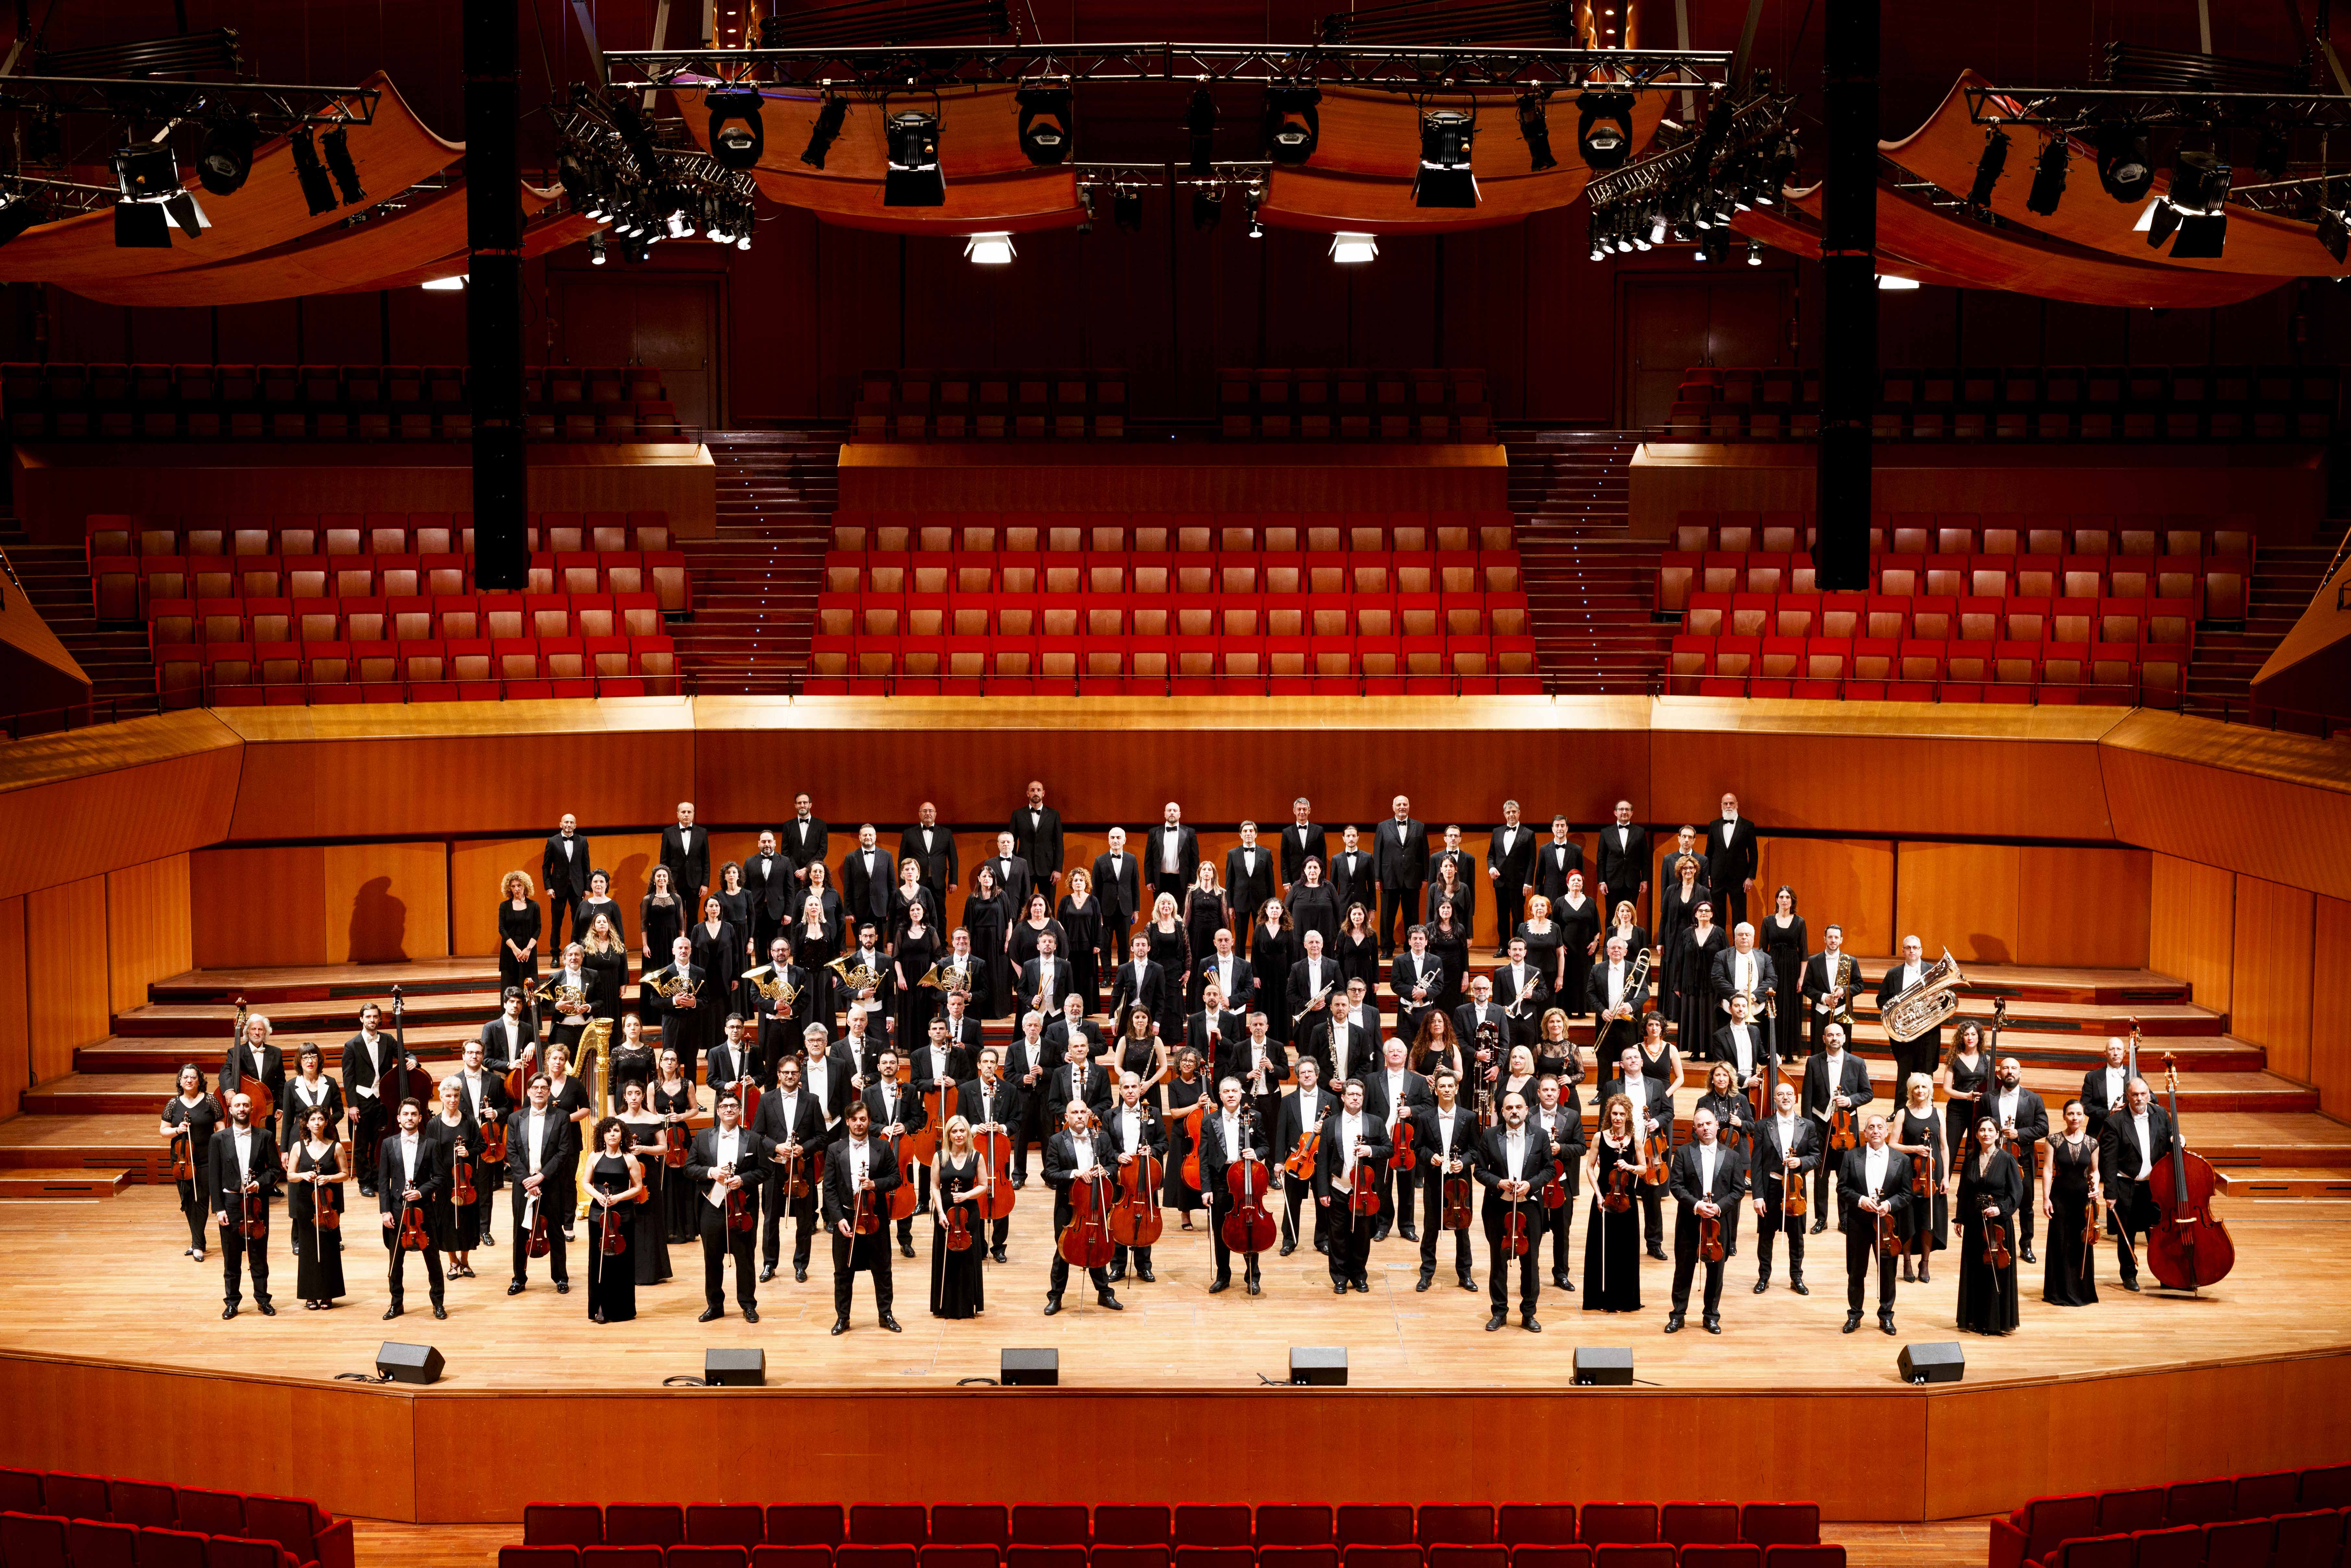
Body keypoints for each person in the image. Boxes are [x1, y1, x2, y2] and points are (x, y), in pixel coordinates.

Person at [687, 1090, 769, 1323]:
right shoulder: (703, 1137)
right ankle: (715, 1306)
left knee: (745, 1259)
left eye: (733, 1106)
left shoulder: (753, 1139)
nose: (729, 1110)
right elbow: (689, 1168)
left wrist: (743, 1180)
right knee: (712, 1259)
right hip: (712, 1207)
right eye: (724, 1106)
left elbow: (765, 1171)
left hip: (743, 1208)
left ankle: (748, 1305)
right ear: (718, 1111)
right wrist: (710, 1172)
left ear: (740, 1110)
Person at [821, 1100, 903, 1333]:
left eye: (863, 1119)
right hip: (847, 1217)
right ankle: (843, 1318)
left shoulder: (883, 1147)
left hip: (875, 1218)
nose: (859, 1124)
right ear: (848, 1121)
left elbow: (896, 1178)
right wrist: (838, 1219)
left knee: (883, 1270)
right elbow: (829, 1189)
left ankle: (885, 1315)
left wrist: (874, 1184)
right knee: (843, 1272)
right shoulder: (834, 1150)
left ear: (869, 1121)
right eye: (855, 1119)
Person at [1475, 1088, 1553, 1331]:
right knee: (1498, 1261)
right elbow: (1479, 1170)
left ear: (1527, 1111)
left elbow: (1549, 1170)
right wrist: (1498, 1183)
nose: (1514, 1111)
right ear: (1502, 1112)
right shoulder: (1489, 1136)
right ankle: (1499, 1312)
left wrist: (1531, 1185)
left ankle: (1529, 1314)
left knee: (1531, 1262)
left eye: (1518, 1107)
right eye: (1509, 1108)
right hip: (1498, 1206)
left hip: (1529, 1206)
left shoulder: (1540, 1136)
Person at [1665, 1106, 1748, 1335]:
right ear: (1695, 1129)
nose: (1705, 1128)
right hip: (1690, 1221)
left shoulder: (1733, 1156)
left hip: (1719, 1223)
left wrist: (1718, 1208)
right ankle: (1678, 1315)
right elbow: (1676, 1186)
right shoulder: (1682, 1153)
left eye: (1709, 1124)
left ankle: (1711, 1316)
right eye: (1700, 1125)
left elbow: (1738, 1190)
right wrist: (1697, 1205)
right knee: (1683, 1270)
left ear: (1717, 1126)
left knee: (1716, 1271)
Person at [1042, 1099, 1123, 1314]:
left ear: (1088, 1115)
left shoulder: (1102, 1138)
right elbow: (1049, 1174)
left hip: (1097, 1204)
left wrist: (1105, 1171)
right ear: (1066, 1117)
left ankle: (1105, 1294)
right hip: (1068, 1206)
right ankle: (1056, 1297)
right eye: (1074, 1113)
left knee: (1097, 1246)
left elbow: (1114, 1165)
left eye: (1083, 1112)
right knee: (1063, 1250)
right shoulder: (1056, 1141)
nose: (1079, 1116)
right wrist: (1074, 1174)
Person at [754, 1053, 827, 1283]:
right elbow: (757, 1135)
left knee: (805, 1220)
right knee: (770, 1219)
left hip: (803, 1170)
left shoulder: (812, 1100)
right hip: (775, 1168)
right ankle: (769, 1264)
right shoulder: (767, 1100)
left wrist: (803, 1149)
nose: (790, 1076)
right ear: (778, 1075)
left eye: (794, 1073)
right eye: (786, 1073)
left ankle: (801, 1264)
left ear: (799, 1074)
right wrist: (776, 1147)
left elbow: (822, 1137)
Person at [1313, 1076, 1390, 1294]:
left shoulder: (1375, 1122)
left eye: (1359, 1095)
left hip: (1364, 1190)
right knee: (1337, 1235)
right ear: (1343, 1097)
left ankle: (1359, 1276)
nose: (1355, 1098)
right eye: (1352, 1095)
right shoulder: (1330, 1124)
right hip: (1338, 1187)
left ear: (1363, 1098)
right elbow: (1323, 1161)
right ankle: (1340, 1277)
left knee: (1362, 1235)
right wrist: (1323, 1191)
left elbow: (1389, 1149)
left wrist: (1371, 1151)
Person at [207, 1089, 279, 1318]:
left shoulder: (265, 1136)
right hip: (230, 1202)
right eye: (238, 1106)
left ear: (252, 1109)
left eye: (246, 1105)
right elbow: (214, 1177)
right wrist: (218, 1209)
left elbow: (276, 1170)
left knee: (259, 1254)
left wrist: (260, 1183)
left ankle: (263, 1300)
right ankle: (232, 1302)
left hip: (256, 1203)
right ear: (231, 1109)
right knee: (232, 1256)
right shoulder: (218, 1139)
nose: (242, 1109)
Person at [1839, 1113, 1912, 1336]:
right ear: (1865, 1133)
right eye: (1871, 1127)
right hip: (1859, 1222)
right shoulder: (1852, 1157)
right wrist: (1861, 1201)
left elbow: (1907, 1193)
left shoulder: (1903, 1160)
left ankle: (1886, 1317)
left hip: (1887, 1225)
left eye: (1880, 1127)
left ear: (1887, 1132)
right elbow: (1842, 1188)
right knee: (1856, 1271)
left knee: (1888, 1272)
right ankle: (1855, 1315)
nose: (1876, 1131)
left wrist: (1889, 1205)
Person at [2098, 1076, 2173, 1292]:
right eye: (2135, 1095)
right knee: (2127, 1234)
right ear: (2128, 1096)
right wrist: (2110, 1193)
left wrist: (2179, 1139)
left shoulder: (2161, 1115)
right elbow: (2109, 1161)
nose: (2140, 1099)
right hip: (2126, 1186)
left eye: (2143, 1094)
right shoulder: (2115, 1122)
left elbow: (2170, 1138)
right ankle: (2129, 1275)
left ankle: (2166, 1275)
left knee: (2159, 1234)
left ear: (2149, 1094)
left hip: (2156, 1187)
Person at [506, 1073, 576, 1296]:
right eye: (535, 1088)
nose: (539, 1091)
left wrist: (541, 1177)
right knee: (520, 1231)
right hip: (523, 1184)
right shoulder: (515, 1118)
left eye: (544, 1088)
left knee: (555, 1231)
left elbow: (564, 1151)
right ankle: (519, 1278)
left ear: (549, 1092)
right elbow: (511, 1153)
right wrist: (527, 1180)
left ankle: (560, 1277)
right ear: (528, 1092)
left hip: (550, 1183)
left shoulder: (562, 1117)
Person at [378, 1097, 447, 1321]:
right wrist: (385, 1211)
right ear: (399, 1119)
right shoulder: (389, 1144)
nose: (410, 1118)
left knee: (433, 1261)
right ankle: (396, 1304)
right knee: (396, 1262)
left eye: (414, 1114)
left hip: (425, 1209)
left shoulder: (432, 1144)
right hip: (397, 1210)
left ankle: (438, 1304)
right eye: (406, 1114)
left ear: (420, 1118)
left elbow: (440, 1177)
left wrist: (421, 1192)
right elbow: (383, 1181)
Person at [1600, 1040, 1670, 1258]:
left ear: (1642, 1062)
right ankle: (1621, 1240)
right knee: (1621, 1191)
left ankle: (1654, 1243)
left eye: (1636, 1057)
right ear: (1622, 1064)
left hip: (1649, 1148)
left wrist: (1657, 1122)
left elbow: (1669, 1112)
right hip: (1621, 1146)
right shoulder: (1612, 1086)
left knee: (1652, 1196)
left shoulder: (1657, 1085)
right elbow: (1605, 1118)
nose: (1633, 1060)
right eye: (1628, 1058)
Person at [1955, 1116, 2024, 1335]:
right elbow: (1964, 1191)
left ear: (1997, 1134)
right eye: (1982, 1130)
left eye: (1990, 1130)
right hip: (1975, 1222)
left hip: (1998, 1224)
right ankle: (1975, 1319)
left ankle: (1995, 1322)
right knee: (1975, 1268)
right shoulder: (1970, 1158)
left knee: (1995, 1270)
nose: (1986, 1134)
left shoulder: (2007, 1159)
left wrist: (2000, 1209)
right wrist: (1960, 1218)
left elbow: (2016, 1194)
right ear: (1976, 1135)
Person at [1201, 1075, 1271, 1291]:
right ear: (1220, 1096)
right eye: (1226, 1092)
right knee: (1222, 1230)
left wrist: (1256, 1153)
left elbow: (1266, 1147)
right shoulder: (1209, 1121)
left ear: (1241, 1094)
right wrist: (1206, 1189)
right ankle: (1223, 1275)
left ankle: (1253, 1276)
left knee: (1251, 1227)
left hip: (1246, 1180)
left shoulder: (1254, 1117)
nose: (1231, 1095)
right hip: (1221, 1181)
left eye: (1235, 1091)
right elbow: (1203, 1159)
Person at [1414, 1067, 1480, 1293]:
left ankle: (1465, 1275)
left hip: (1460, 1182)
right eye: (1442, 1086)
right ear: (1436, 1090)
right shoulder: (1424, 1118)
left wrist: (1465, 1161)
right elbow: (1417, 1148)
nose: (1447, 1090)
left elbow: (1476, 1149)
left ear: (1457, 1088)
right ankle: (1426, 1274)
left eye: (1450, 1086)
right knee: (1431, 1227)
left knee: (1463, 1229)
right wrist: (1430, 1157)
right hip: (1434, 1180)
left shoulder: (1469, 1117)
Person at [1802, 1021, 1874, 1225]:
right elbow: (1807, 1097)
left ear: (1844, 1038)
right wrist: (1807, 1129)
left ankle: (1845, 1219)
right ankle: (1821, 1219)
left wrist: (1850, 1100)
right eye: (1830, 1035)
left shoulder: (1857, 1063)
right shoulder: (1813, 1062)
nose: (1835, 1038)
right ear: (1824, 1039)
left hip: (1846, 1130)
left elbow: (1868, 1093)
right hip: (1820, 1126)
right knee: (1821, 1175)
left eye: (1838, 1035)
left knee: (1846, 1175)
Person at [1750, 1081, 1816, 1295]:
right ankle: (1764, 1277)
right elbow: (1757, 1163)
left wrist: (1802, 1163)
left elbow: (1816, 1157)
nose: (1786, 1097)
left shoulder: (1809, 1125)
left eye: (1790, 1094)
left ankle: (1797, 1276)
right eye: (1781, 1094)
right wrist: (1757, 1196)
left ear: (1796, 1099)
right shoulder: (1762, 1125)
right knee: (1766, 1235)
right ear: (1775, 1099)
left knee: (1797, 1236)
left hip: (1795, 1190)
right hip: (1771, 1187)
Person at [958, 1049, 1024, 1261]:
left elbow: (1017, 1120)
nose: (988, 1066)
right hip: (975, 1151)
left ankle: (999, 1247)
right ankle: (979, 1245)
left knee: (1001, 1198)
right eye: (985, 1061)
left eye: (992, 1062)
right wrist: (976, 1128)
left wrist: (1002, 1127)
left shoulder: (1010, 1089)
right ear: (979, 1065)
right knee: (976, 1196)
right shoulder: (967, 1090)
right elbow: (960, 1119)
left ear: (997, 1066)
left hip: (1000, 1152)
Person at [1363, 1036, 1430, 1241]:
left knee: (1407, 1187)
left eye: (1399, 1051)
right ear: (1385, 1057)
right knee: (1382, 1186)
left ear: (1405, 1055)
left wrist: (1411, 1110)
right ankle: (1384, 1225)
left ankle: (1407, 1226)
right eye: (1391, 1051)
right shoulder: (1372, 1080)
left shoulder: (1418, 1081)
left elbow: (1428, 1107)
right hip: (1382, 1142)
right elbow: (1365, 1111)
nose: (1395, 1054)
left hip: (1406, 1143)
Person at [1581, 1094, 1643, 1313]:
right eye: (1614, 1114)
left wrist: (1630, 1167)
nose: (1618, 1118)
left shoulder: (1634, 1139)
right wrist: (1598, 1195)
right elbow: (1589, 1168)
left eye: (1622, 1114)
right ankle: (1601, 1299)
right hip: (1604, 1198)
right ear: (1610, 1115)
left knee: (1624, 1249)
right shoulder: (1600, 1137)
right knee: (1602, 1248)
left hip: (1627, 1199)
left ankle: (1624, 1299)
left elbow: (1644, 1168)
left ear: (1628, 1116)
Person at [1987, 1056, 2051, 1264]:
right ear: (2000, 1074)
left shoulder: (2033, 1099)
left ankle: (2026, 1246)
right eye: (2005, 1068)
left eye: (2014, 1068)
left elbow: (2043, 1128)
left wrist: (2019, 1134)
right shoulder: (1989, 1098)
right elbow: (1980, 1125)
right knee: (1995, 1201)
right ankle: (1995, 1244)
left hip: (2023, 1160)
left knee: (2026, 1205)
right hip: (1995, 1159)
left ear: (2020, 1073)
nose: (2010, 1072)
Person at [1104, 1072, 1167, 1283]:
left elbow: (1164, 1143)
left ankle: (1144, 1267)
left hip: (1145, 1177)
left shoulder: (1154, 1113)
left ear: (1140, 1089)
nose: (1131, 1091)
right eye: (1126, 1088)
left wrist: (1152, 1150)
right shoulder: (1109, 1115)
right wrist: (1116, 1156)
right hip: (1121, 1177)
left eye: (1134, 1087)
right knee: (1118, 1220)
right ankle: (1118, 1266)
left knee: (1146, 1217)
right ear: (1120, 1090)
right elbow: (1105, 1148)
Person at [2042, 1099, 2104, 1307]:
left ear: (2084, 1117)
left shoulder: (2092, 1143)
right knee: (2060, 1242)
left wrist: (2096, 1188)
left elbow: (2094, 1171)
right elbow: (2048, 1171)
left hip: (2083, 1201)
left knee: (2081, 1243)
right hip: (2060, 1198)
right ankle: (2058, 1291)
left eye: (2079, 1114)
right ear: (2064, 1116)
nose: (2075, 1118)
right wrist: (2046, 1198)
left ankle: (2082, 1290)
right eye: (2071, 1114)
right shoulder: (2053, 1140)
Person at [585, 1116, 647, 1324]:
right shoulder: (594, 1156)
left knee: (621, 1263)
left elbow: (638, 1187)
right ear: (603, 1134)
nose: (613, 1134)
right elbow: (586, 1183)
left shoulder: (630, 1159)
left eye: (617, 1131)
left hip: (624, 1216)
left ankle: (622, 1310)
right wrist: (598, 1196)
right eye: (609, 1131)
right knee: (599, 1261)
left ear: (623, 1135)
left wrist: (617, 1198)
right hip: (598, 1215)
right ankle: (600, 1307)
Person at [286, 1104, 347, 1310]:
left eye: (321, 1119)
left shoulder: (336, 1147)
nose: (317, 1123)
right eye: (313, 1120)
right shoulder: (298, 1147)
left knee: (330, 1247)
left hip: (328, 1205)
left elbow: (345, 1174)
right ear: (307, 1124)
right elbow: (290, 1176)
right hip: (306, 1204)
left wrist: (329, 1177)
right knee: (309, 1249)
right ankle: (310, 1294)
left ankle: (329, 1293)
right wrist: (303, 1175)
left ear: (327, 1122)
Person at [614, 1080, 673, 1287]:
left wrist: (644, 1150)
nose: (634, 1097)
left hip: (649, 1177)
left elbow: (664, 1148)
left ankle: (650, 1271)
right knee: (627, 1219)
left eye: (637, 1093)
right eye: (629, 1093)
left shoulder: (653, 1119)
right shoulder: (618, 1121)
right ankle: (627, 1268)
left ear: (642, 1097)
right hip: (625, 1175)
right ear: (625, 1097)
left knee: (649, 1220)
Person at [423, 1076, 483, 1280]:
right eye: (448, 1096)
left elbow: (481, 1146)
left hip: (465, 1181)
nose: (452, 1100)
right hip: (444, 1182)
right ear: (441, 1097)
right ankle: (452, 1262)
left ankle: (465, 1261)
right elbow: (429, 1153)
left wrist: (469, 1152)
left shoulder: (469, 1121)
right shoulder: (434, 1124)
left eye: (456, 1096)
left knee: (466, 1220)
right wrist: (432, 1183)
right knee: (447, 1222)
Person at [929, 1115, 988, 1319]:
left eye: (962, 1131)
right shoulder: (940, 1157)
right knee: (946, 1257)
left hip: (968, 1214)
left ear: (968, 1134)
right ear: (949, 1134)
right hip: (946, 1214)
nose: (959, 1135)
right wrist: (939, 1213)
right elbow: (935, 1187)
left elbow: (984, 1186)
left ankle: (967, 1304)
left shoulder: (977, 1157)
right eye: (954, 1131)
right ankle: (943, 1306)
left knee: (967, 1259)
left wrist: (966, 1195)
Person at [1892, 1072, 1947, 1284]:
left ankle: (1924, 1263)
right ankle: (1906, 1262)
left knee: (1928, 1220)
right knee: (1908, 1218)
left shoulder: (1938, 1114)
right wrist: (1914, 1148)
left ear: (1929, 1090)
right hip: (1909, 1173)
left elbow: (1944, 1147)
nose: (1920, 1091)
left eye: (1924, 1087)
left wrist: (1946, 1178)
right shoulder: (1903, 1114)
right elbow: (1893, 1144)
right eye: (1916, 1088)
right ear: (1911, 1091)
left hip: (1934, 1174)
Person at [1531, 1073, 1584, 1287]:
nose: (1550, 1094)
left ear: (1559, 1092)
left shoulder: (1572, 1116)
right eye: (1545, 1090)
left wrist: (1561, 1148)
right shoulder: (1529, 1115)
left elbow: (1581, 1147)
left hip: (1562, 1184)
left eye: (1553, 1090)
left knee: (1562, 1230)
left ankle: (1561, 1273)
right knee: (1535, 1230)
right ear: (1539, 1093)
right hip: (1535, 1183)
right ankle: (1531, 1272)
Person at [162, 1065, 221, 1261]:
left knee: (202, 1200)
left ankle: (197, 1246)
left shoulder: (210, 1100)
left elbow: (220, 1128)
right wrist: (178, 1130)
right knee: (188, 1201)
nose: (189, 1081)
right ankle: (199, 1241)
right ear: (180, 1081)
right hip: (181, 1159)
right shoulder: (173, 1104)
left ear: (199, 1080)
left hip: (206, 1158)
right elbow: (164, 1131)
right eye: (185, 1077)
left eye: (193, 1077)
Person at [1876, 935, 1945, 1090]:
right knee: (1903, 1074)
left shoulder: (1933, 971)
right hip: (1904, 1033)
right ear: (1903, 951)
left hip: (1928, 1032)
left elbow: (1945, 999)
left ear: (1921, 951)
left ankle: (1928, 1111)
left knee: (1927, 1075)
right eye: (1908, 948)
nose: (1912, 951)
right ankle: (1899, 1110)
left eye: (1915, 948)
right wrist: (1896, 1011)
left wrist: (1935, 1001)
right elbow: (1881, 1000)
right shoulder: (1893, 974)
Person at [650, 1049, 701, 1244]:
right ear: (661, 1063)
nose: (670, 1063)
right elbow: (650, 1113)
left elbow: (695, 1110)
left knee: (684, 1181)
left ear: (678, 1064)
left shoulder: (687, 1084)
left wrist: (681, 1116)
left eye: (673, 1059)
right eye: (666, 1059)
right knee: (666, 1180)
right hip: (662, 1135)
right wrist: (660, 1119)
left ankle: (686, 1229)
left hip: (681, 1136)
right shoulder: (653, 1086)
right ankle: (666, 1229)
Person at [1373, 795, 1429, 957]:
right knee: (1387, 916)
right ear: (1393, 807)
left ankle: (1410, 947)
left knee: (1412, 916)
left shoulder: (1420, 827)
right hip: (1389, 878)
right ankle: (1387, 948)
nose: (1402, 807)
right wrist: (1378, 878)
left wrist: (1425, 877)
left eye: (1405, 804)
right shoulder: (1383, 827)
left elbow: (1424, 853)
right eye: (1399, 805)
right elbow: (1378, 853)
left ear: (1409, 807)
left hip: (1413, 879)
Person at [1673, 901, 1727, 1062]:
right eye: (1701, 911)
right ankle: (1695, 1050)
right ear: (1696, 914)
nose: (1704, 913)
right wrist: (1677, 983)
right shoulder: (1687, 933)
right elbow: (1680, 960)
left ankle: (1711, 1051)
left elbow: (1726, 959)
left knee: (1710, 1018)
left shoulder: (1720, 933)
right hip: (1690, 982)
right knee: (1693, 1015)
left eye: (1707, 911)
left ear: (1712, 914)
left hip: (1712, 983)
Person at [221, 1011, 285, 1143]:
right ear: (248, 1033)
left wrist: (280, 1106)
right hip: (244, 1108)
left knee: (267, 1144)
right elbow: (225, 1071)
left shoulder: (276, 1052)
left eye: (261, 1029)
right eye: (254, 1029)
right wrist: (229, 1090)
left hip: (267, 1111)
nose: (257, 1033)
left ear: (266, 1033)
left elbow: (281, 1082)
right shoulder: (236, 1052)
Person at [1760, 887, 1807, 1063]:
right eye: (1781, 897)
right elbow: (1762, 950)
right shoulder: (1768, 921)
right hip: (1772, 968)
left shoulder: (1800, 922)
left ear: (1792, 901)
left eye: (1788, 897)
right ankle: (1773, 1049)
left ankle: (1788, 1051)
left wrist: (1802, 978)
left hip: (1793, 970)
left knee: (1790, 1008)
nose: (1785, 900)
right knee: (1773, 1006)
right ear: (1777, 900)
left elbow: (1804, 952)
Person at [961, 864, 1012, 1020]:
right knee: (980, 975)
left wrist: (1008, 940)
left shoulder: (1002, 896)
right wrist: (968, 944)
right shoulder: (972, 898)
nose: (987, 879)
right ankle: (981, 1010)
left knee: (998, 975)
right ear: (979, 879)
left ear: (994, 879)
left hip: (997, 940)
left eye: (990, 877)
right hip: (978, 940)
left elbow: (1009, 921)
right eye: (984, 876)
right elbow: (966, 924)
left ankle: (999, 1011)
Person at [1487, 802, 1538, 956]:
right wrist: (1491, 868)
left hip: (1519, 884)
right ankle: (1503, 947)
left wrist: (1528, 882)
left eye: (1514, 812)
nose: (1511, 815)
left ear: (1519, 813)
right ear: (1504, 814)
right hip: (1501, 882)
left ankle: (1517, 948)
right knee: (1502, 916)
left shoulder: (1528, 834)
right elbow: (1491, 855)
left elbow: (1532, 861)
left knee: (1518, 917)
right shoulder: (1497, 832)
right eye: (1508, 812)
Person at [1799, 923, 1856, 1058]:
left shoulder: (1851, 961)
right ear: (1825, 939)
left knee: (1844, 1052)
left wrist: (1844, 991)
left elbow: (1859, 986)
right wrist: (1824, 997)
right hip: (1821, 1012)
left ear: (1841, 940)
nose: (1833, 940)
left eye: (1837, 937)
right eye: (1830, 937)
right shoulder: (1813, 961)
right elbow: (1806, 987)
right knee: (1819, 1051)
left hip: (1842, 1012)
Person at [1535, 889, 1593, 1022]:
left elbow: (1560, 954)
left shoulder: (1554, 928)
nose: (1540, 909)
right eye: (1537, 906)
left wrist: (1560, 977)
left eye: (1543, 906)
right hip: (1533, 972)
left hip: (1551, 970)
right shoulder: (1523, 927)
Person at [1704, 792, 1759, 928]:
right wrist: (1707, 875)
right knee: (1717, 916)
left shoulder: (1748, 826)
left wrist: (1750, 877)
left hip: (1739, 879)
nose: (1729, 806)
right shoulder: (1714, 825)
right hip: (1717, 878)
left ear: (1737, 805)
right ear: (1721, 806)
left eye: (1731, 803)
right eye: (1726, 804)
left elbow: (1754, 854)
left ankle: (1739, 947)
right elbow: (1708, 853)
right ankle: (1718, 946)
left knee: (1740, 916)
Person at [1594, 801, 1649, 932]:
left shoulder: (1640, 832)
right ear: (1616, 813)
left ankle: (1630, 945)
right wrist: (1602, 881)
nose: (1624, 812)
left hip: (1633, 880)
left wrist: (1645, 879)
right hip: (1612, 881)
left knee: (1630, 913)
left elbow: (1645, 858)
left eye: (1627, 809)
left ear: (1632, 813)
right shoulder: (1606, 832)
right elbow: (1601, 858)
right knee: (1612, 914)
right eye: (1621, 809)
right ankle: (1611, 945)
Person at [1091, 825, 1143, 962]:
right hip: (1106, 909)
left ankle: (1123, 975)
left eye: (1119, 838)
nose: (1116, 840)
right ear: (1108, 840)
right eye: (1113, 838)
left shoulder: (1132, 859)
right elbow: (1095, 888)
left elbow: (1135, 885)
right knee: (1105, 944)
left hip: (1126, 908)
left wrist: (1136, 910)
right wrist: (1097, 912)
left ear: (1124, 840)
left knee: (1124, 944)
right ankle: (1107, 976)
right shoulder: (1100, 860)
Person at [279, 1045, 343, 1156]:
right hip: (299, 1138)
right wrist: (284, 1150)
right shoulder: (290, 1086)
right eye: (305, 1058)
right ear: (300, 1061)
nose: (310, 1061)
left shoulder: (331, 1082)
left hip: (327, 1135)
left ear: (319, 1060)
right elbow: (287, 1121)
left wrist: (324, 1123)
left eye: (314, 1057)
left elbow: (340, 1112)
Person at [541, 814, 592, 951]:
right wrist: (549, 887)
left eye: (572, 823)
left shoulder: (583, 841)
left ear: (575, 825)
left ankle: (577, 952)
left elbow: (586, 866)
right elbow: (546, 866)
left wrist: (588, 888)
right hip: (558, 889)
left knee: (578, 922)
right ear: (561, 825)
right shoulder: (552, 841)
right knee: (556, 923)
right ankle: (555, 954)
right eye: (566, 822)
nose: (569, 825)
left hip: (577, 888)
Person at [1057, 868, 1105, 1009]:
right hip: (1069, 948)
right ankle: (1070, 1007)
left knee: (1088, 978)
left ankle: (1088, 1007)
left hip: (1088, 948)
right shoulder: (1065, 901)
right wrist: (1061, 945)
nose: (1078, 883)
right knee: (1071, 978)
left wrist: (1098, 943)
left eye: (1081, 880)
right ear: (1071, 883)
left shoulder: (1093, 901)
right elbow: (1059, 925)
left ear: (1087, 883)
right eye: (1076, 880)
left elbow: (1098, 923)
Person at [1942, 1021, 1991, 1160]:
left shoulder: (1986, 1059)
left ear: (1979, 1037)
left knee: (1973, 1150)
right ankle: (1945, 1180)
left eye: (1974, 1034)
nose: (1970, 1038)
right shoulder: (1953, 1059)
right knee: (1950, 1148)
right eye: (1966, 1035)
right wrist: (1966, 1096)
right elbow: (1947, 1089)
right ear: (1961, 1038)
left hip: (1979, 1110)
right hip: (1957, 1109)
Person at [744, 829, 796, 956]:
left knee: (777, 948)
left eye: (769, 841)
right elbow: (745, 889)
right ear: (759, 844)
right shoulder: (750, 862)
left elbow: (790, 889)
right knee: (760, 949)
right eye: (764, 842)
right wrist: (745, 911)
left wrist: (789, 913)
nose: (767, 844)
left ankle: (775, 976)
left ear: (775, 843)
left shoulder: (785, 861)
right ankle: (762, 975)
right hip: (757, 911)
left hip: (778, 913)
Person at [1393, 923, 1445, 1048]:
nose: (1418, 942)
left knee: (1426, 1047)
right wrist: (1413, 991)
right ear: (1410, 941)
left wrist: (1425, 993)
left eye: (1421, 939)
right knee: (1406, 1048)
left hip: (1426, 1011)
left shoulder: (1436, 961)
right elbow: (1395, 984)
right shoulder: (1399, 960)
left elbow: (1439, 985)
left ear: (1427, 942)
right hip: (1406, 1012)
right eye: (1415, 939)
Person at [1224, 825, 1277, 946]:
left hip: (1261, 903)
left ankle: (1259, 965)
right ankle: (1239, 965)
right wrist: (1230, 906)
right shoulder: (1232, 854)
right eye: (1245, 831)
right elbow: (1229, 882)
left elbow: (1271, 881)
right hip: (1240, 902)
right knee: (1240, 939)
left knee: (1262, 938)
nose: (1248, 833)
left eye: (1251, 831)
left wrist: (1272, 904)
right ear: (1241, 835)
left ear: (1256, 834)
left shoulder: (1266, 853)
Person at [1142, 801, 1200, 911]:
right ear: (1165, 814)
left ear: (1180, 814)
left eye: (1175, 811)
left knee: (1181, 912)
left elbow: (1195, 859)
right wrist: (1149, 880)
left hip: (1182, 880)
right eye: (1169, 811)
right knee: (1161, 911)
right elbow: (1148, 858)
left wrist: (1193, 881)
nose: (1172, 813)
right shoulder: (1154, 832)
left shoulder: (1190, 833)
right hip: (1160, 879)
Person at [1283, 853, 1342, 960]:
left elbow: (1338, 913)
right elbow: (1285, 912)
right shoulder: (1296, 887)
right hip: (1300, 940)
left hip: (1326, 940)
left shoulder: (1329, 887)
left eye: (1316, 867)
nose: (1312, 870)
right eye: (1309, 867)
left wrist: (1339, 935)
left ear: (1321, 870)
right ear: (1304, 870)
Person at [1010, 779, 1064, 895]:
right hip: (1024, 868)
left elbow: (1059, 844)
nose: (1036, 793)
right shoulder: (1018, 815)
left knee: (1049, 907)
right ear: (1028, 793)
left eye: (1039, 790)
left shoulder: (1054, 815)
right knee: (1024, 908)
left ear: (1043, 793)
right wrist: (1014, 868)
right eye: (1032, 790)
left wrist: (1058, 869)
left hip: (1049, 870)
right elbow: (1011, 843)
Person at [498, 870, 542, 1000]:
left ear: (525, 887)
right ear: (509, 888)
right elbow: (502, 929)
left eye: (519, 886)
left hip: (528, 953)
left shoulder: (534, 906)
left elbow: (538, 929)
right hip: (510, 953)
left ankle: (529, 1020)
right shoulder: (504, 906)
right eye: (513, 886)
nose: (517, 889)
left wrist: (528, 949)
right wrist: (515, 949)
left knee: (530, 992)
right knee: (510, 990)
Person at [580, 912, 629, 1028]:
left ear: (609, 925)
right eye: (599, 922)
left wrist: (624, 984)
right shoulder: (586, 945)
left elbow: (624, 964)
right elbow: (582, 968)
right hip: (595, 987)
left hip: (613, 986)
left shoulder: (617, 943)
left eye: (604, 922)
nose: (602, 924)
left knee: (614, 1017)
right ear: (594, 926)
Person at [660, 800, 711, 906]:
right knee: (677, 917)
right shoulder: (668, 833)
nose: (687, 815)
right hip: (675, 882)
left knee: (693, 917)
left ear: (693, 814)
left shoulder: (702, 833)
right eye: (683, 812)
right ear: (678, 815)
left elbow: (706, 860)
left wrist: (705, 884)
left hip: (695, 883)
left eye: (689, 812)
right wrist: (665, 883)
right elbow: (664, 861)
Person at [2081, 1037, 2131, 1139]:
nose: (2116, 1053)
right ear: (2105, 1053)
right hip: (2100, 1130)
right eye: (2112, 1049)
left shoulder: (2134, 1073)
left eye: (2119, 1049)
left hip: (2128, 1130)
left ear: (2125, 1053)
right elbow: (2085, 1106)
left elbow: (2151, 1096)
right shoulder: (2093, 1077)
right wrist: (2109, 1113)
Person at [1425, 831, 1476, 932]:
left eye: (1451, 866)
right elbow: (1430, 913)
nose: (1448, 869)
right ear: (1441, 869)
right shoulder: (1434, 888)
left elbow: (1468, 912)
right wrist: (1428, 934)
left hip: (1459, 930)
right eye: (1445, 866)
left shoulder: (1464, 888)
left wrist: (1469, 935)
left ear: (1456, 869)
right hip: (1437, 931)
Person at [784, 793, 831, 896]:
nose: (802, 805)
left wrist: (807, 869)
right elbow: (785, 852)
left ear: (810, 805)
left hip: (815, 874)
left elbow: (823, 850)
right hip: (794, 876)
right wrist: (797, 871)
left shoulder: (821, 825)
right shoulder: (788, 826)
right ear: (795, 806)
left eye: (805, 803)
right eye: (799, 803)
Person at [639, 865, 685, 969]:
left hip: (672, 938)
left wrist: (681, 944)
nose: (662, 878)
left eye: (665, 876)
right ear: (654, 880)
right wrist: (645, 946)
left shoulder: (677, 898)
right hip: (654, 940)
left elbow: (681, 922)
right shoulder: (647, 899)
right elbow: (644, 925)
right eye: (659, 876)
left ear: (668, 880)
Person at [1280, 798, 1329, 892]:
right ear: (1294, 811)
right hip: (1294, 879)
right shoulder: (1287, 832)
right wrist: (1286, 882)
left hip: (1315, 878)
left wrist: (1322, 879)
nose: (1302, 812)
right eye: (1299, 809)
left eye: (1305, 809)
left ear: (1309, 811)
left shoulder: (1319, 830)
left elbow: (1323, 856)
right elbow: (1284, 858)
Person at [576, 869, 625, 955]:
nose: (598, 885)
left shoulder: (613, 905)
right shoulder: (583, 904)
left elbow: (620, 932)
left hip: (606, 951)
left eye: (602, 882)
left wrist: (621, 952)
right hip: (585, 950)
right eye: (595, 882)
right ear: (591, 885)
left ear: (606, 884)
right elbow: (575, 930)